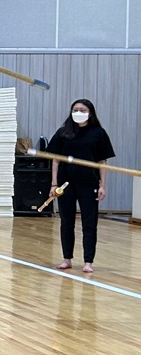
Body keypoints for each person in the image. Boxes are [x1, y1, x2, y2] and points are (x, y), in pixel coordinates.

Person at [48, 98, 114, 274]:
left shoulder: (98, 133)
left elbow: (102, 161)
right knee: (66, 222)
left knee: (89, 224)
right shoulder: (63, 132)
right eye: (75, 109)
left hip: (89, 183)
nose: (78, 112)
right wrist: (54, 184)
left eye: (82, 110)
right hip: (65, 184)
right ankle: (67, 259)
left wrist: (103, 185)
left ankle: (88, 262)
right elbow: (55, 159)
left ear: (90, 113)